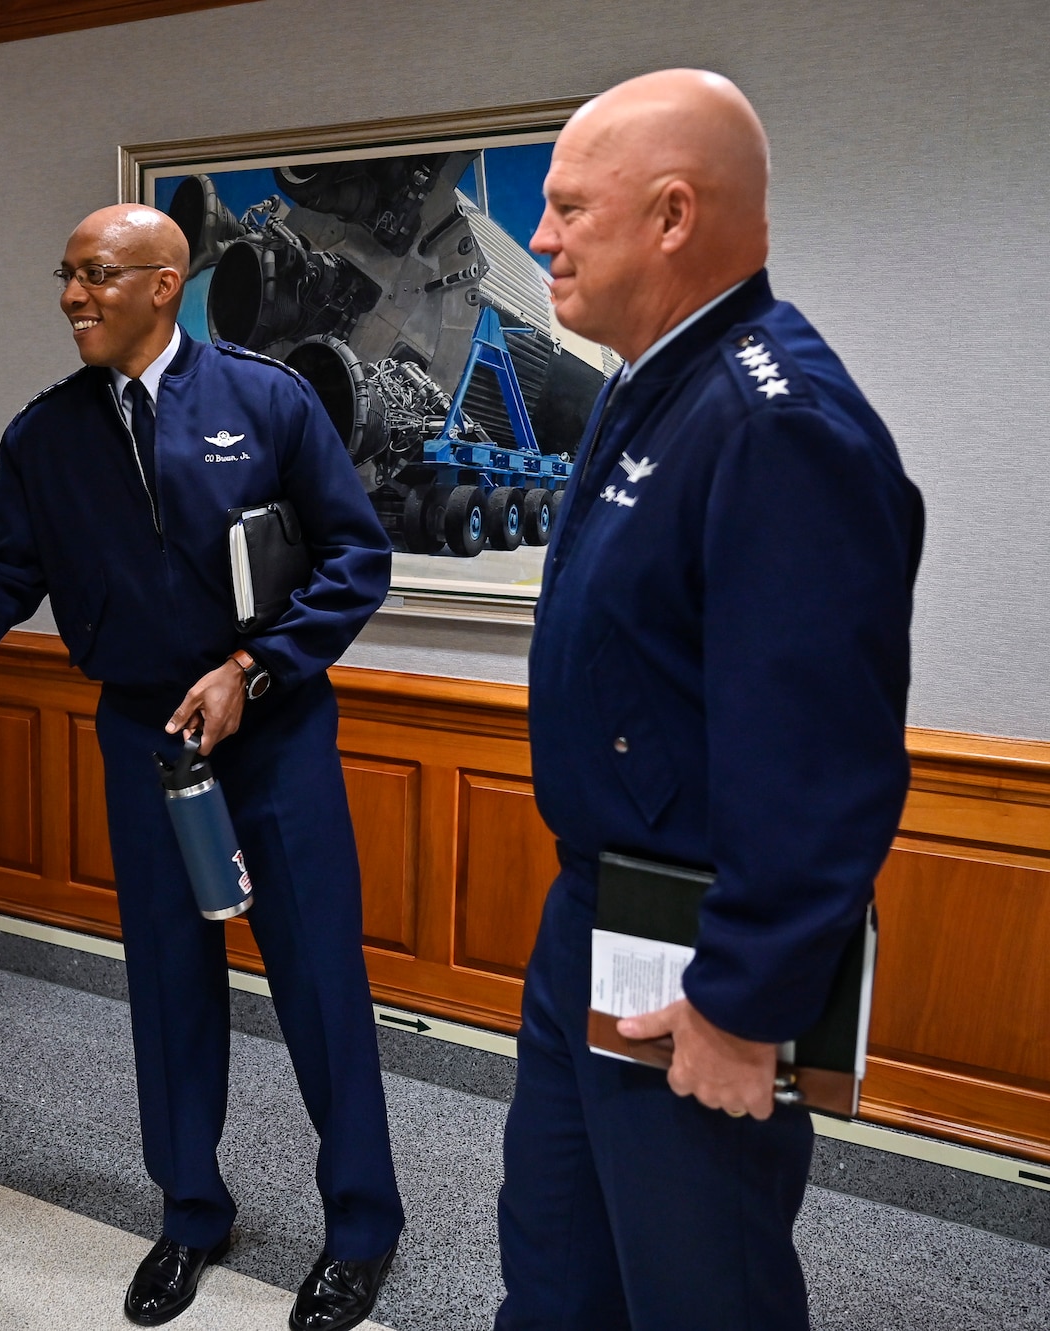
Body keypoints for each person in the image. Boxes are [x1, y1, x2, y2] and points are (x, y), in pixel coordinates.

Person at [0, 206, 406, 1331]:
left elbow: (351, 557)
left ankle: (360, 1228)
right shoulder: (45, 435)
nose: (70, 295)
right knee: (169, 985)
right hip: (145, 736)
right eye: (65, 273)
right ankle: (191, 1212)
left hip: (271, 729)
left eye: (93, 274)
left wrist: (255, 665)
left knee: (319, 987)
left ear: (164, 282)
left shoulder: (265, 399)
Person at [497, 71, 923, 1329]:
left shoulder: (772, 424)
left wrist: (743, 1004)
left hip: (695, 954)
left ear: (672, 216)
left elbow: (818, 761)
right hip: (595, 907)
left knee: (697, 1286)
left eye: (569, 208)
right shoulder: (647, 387)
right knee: (558, 1261)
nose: (540, 238)